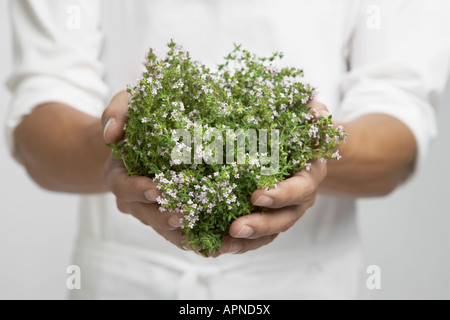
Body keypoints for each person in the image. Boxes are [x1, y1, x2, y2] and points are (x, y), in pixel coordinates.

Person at [6, 0, 450, 299]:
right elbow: (41, 114)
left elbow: (398, 116)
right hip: (125, 280)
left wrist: (304, 150)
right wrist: (124, 142)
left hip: (306, 284)